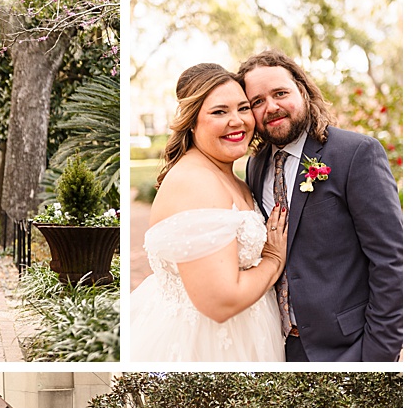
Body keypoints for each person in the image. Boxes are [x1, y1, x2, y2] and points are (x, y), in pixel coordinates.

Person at [239, 49, 403, 362]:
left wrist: (376, 356)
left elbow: (392, 261)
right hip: (279, 347)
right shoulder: (255, 167)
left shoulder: (355, 154)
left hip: (351, 348)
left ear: (302, 90)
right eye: (257, 102)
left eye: (280, 93)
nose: (271, 107)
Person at [129, 64, 288, 361]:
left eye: (243, 108)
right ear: (192, 122)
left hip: (250, 333)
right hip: (205, 344)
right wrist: (273, 259)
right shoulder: (196, 182)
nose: (237, 121)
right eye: (219, 112)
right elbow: (220, 302)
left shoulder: (234, 176)